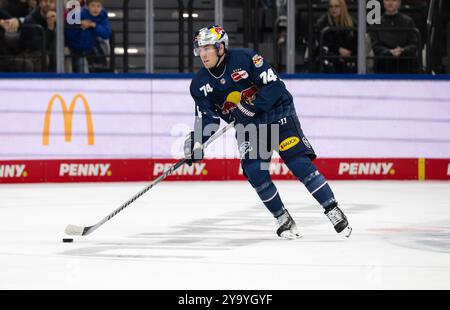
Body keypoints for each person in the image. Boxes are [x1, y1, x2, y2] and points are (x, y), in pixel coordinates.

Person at [184, 25, 352, 239]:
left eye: (208, 47)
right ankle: (283, 218)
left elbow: (274, 85)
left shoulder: (245, 58)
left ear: (221, 47)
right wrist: (196, 142)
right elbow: (207, 119)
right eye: (200, 48)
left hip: (277, 112)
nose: (203, 53)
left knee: (297, 161)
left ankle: (332, 209)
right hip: (249, 126)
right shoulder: (199, 85)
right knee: (254, 170)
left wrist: (250, 108)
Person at [370, 0, 420, 73]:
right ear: (383, 2)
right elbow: (375, 46)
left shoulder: (408, 21)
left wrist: (402, 50)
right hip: (383, 66)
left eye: (394, 0)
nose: (390, 3)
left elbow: (413, 45)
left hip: (406, 66)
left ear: (399, 2)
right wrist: (389, 52)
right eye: (387, 0)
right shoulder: (375, 23)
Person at [66, 0, 111, 73]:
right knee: (83, 68)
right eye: (93, 5)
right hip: (76, 51)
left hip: (92, 50)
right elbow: (70, 34)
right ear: (87, 6)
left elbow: (106, 33)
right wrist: (79, 25)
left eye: (98, 6)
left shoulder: (102, 16)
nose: (95, 9)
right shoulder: (78, 14)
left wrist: (94, 25)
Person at [314, 0, 357, 73]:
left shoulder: (353, 23)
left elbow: (357, 42)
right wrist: (338, 49)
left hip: (349, 55)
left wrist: (350, 52)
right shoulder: (322, 23)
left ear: (342, 7)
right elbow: (323, 43)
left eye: (336, 6)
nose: (333, 9)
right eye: (331, 6)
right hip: (331, 55)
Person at [20, 0, 56, 71]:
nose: (48, 4)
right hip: (28, 53)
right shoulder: (30, 20)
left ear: (55, 5)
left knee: (64, 52)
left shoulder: (56, 17)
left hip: (48, 52)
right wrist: (50, 29)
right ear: (40, 3)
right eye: (45, 1)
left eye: (51, 2)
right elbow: (37, 46)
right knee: (44, 57)